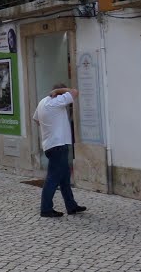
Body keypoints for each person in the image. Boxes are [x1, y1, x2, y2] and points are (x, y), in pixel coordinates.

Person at [32, 83, 86, 217]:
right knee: (52, 178)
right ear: (59, 94)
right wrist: (58, 90)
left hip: (50, 144)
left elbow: (36, 120)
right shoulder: (56, 101)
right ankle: (46, 209)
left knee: (64, 178)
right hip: (59, 145)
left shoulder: (42, 102)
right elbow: (74, 92)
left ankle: (71, 205)